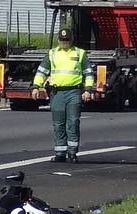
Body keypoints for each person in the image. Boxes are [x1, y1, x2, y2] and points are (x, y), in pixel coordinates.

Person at [32, 27, 95, 163]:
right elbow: (41, 72)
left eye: (66, 40)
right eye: (62, 40)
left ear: (71, 40)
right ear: (58, 40)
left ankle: (72, 152)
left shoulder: (80, 53)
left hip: (74, 92)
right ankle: (60, 152)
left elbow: (89, 73)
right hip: (57, 93)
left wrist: (88, 90)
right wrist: (36, 86)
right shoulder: (52, 53)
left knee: (73, 122)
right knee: (58, 124)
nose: (64, 42)